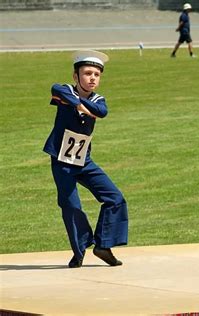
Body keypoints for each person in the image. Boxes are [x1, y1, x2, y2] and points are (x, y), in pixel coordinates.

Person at [43, 50, 128, 268]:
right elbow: (57, 89)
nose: (92, 78)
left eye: (96, 75)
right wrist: (79, 103)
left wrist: (79, 104)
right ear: (76, 76)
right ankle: (79, 250)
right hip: (62, 160)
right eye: (87, 73)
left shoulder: (99, 99)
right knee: (71, 205)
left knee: (115, 198)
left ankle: (103, 246)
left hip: (84, 160)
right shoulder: (64, 90)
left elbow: (102, 111)